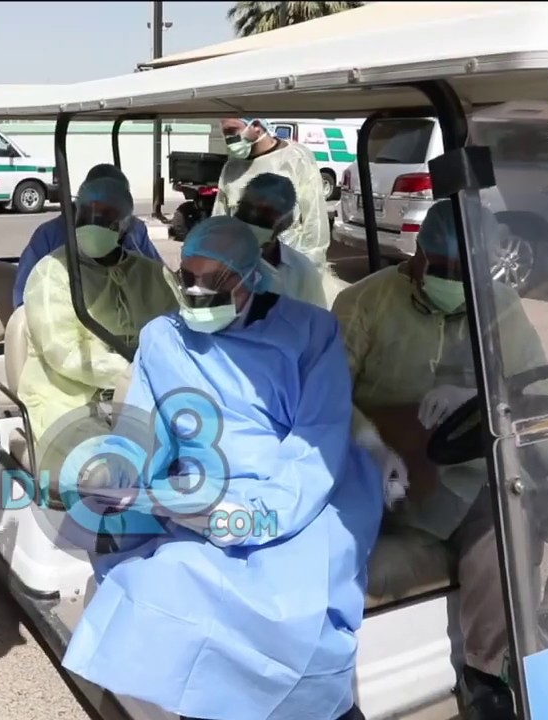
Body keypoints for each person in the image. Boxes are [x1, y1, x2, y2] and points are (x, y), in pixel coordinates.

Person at [59, 215, 385, 720]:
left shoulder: (309, 333)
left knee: (296, 608)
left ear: (251, 277)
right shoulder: (163, 338)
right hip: (199, 491)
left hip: (301, 494)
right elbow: (145, 433)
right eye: (187, 278)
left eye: (212, 282)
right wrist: (118, 476)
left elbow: (316, 439)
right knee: (172, 577)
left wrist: (253, 516)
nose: (195, 293)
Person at [332, 199, 548, 718]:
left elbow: (534, 385)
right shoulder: (364, 304)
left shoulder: (497, 302)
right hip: (411, 464)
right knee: (502, 524)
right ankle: (490, 674)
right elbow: (327, 397)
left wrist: (477, 392)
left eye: (469, 272)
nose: (458, 282)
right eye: (446, 269)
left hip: (500, 445)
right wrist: (371, 444)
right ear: (418, 256)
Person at [20, 174, 178, 500]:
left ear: (125, 226)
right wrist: (131, 374)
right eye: (86, 214)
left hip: (143, 398)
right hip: (68, 401)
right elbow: (64, 353)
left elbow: (177, 337)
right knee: (107, 473)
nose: (93, 224)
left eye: (105, 217)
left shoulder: (152, 275)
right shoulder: (52, 273)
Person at [12, 163, 164, 307]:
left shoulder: (134, 231)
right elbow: (23, 297)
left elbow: (159, 280)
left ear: (124, 217)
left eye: (108, 213)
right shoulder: (50, 235)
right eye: (90, 211)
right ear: (78, 208)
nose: (97, 220)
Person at [213, 118, 331, 266]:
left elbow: (315, 217)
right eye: (225, 133)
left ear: (256, 126)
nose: (228, 139)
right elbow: (220, 218)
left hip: (289, 264)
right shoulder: (232, 167)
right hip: (245, 264)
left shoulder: (295, 158)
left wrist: (312, 266)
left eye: (232, 131)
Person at [234, 171, 332, 308]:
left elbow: (316, 319)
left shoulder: (302, 273)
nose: (252, 218)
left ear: (286, 222)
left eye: (265, 214)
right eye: (245, 209)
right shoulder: (211, 260)